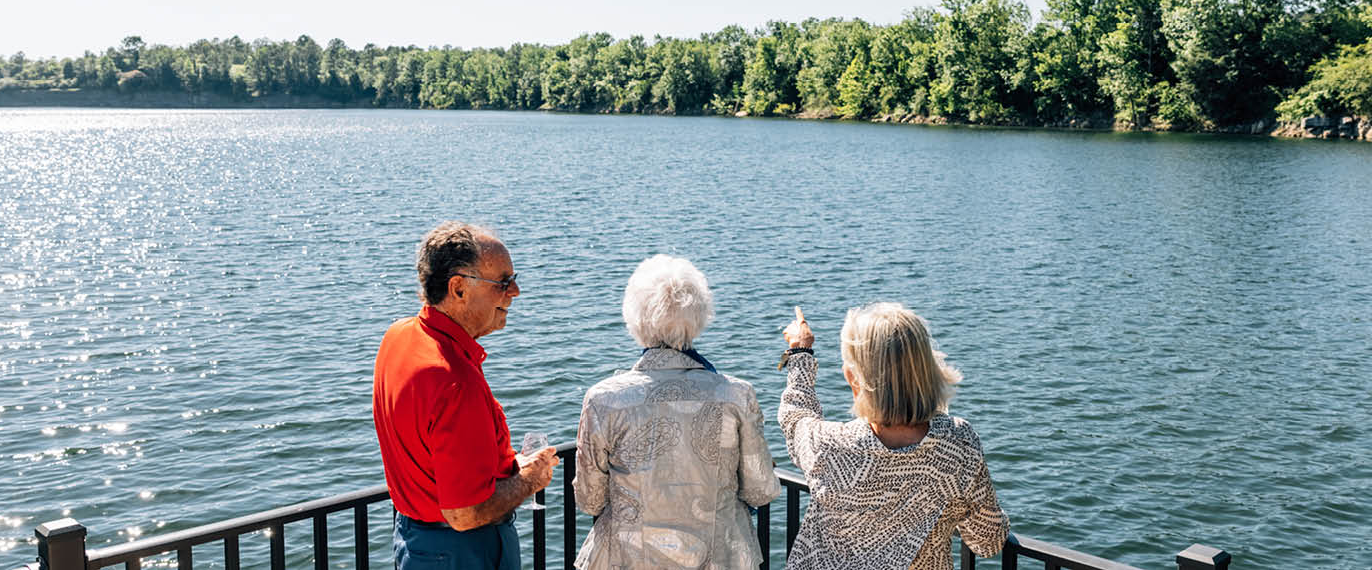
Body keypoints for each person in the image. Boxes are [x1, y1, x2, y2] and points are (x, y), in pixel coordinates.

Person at [572, 255, 780, 569]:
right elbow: (761, 489)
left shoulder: (604, 400)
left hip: (628, 559)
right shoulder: (736, 395)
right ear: (699, 316)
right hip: (720, 559)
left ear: (635, 317)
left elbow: (590, 499)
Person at [373, 221, 559, 570]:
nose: (515, 291)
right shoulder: (454, 380)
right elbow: (464, 513)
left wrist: (507, 468)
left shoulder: (397, 337)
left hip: (414, 541)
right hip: (464, 551)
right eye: (503, 282)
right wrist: (529, 480)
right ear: (457, 289)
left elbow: (432, 458)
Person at [776, 303, 1010, 570]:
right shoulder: (958, 444)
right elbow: (988, 542)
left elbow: (795, 418)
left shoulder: (829, 446)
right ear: (928, 370)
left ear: (854, 379)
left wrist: (800, 351)